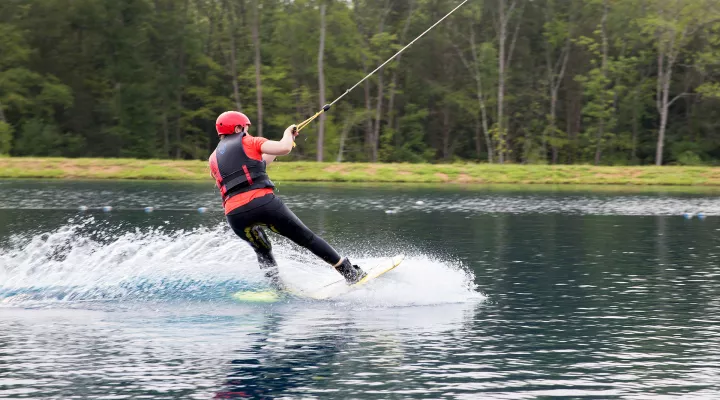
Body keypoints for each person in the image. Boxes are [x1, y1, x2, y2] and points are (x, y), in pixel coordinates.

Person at [209, 111, 367, 290]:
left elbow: (258, 163)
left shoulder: (213, 158)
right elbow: (283, 148)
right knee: (307, 238)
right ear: (238, 128)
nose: (247, 131)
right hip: (263, 204)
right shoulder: (250, 141)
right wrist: (287, 133)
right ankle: (350, 273)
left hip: (236, 216)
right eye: (246, 127)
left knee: (262, 250)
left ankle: (275, 288)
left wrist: (286, 141)